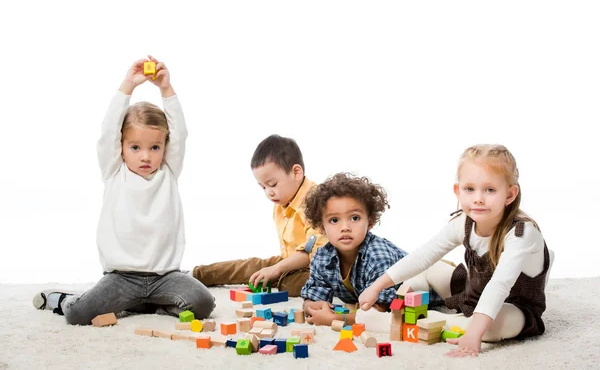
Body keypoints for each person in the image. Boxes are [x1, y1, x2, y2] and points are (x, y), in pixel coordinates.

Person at [32, 56, 215, 325]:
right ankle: (63, 299)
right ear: (122, 146)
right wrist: (127, 86)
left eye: (154, 147)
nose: (146, 156)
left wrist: (166, 88)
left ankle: (148, 305)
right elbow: (108, 131)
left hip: (165, 276)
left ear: (164, 147)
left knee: (203, 303)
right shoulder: (114, 170)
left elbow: (181, 133)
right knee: (78, 315)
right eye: (135, 147)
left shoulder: (169, 171)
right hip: (121, 278)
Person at [359, 144, 552, 357]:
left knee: (492, 327)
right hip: (474, 292)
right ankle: (410, 304)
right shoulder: (464, 222)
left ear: (509, 194)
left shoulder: (521, 233)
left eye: (490, 190)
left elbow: (500, 285)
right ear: (457, 191)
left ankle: (429, 323)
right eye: (470, 189)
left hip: (513, 306)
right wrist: (376, 287)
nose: (478, 198)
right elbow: (423, 256)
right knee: (429, 268)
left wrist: (474, 335)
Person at [191, 135, 328, 297]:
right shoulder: (282, 202)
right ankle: (195, 274)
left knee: (288, 283)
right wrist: (274, 268)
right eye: (263, 187)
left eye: (272, 185)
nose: (268, 193)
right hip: (290, 261)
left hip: (317, 267)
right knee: (252, 266)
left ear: (296, 173)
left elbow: (313, 252)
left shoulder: (315, 200)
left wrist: (277, 269)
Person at [300, 173, 408, 326]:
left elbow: (381, 310)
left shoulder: (377, 255)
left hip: (429, 279)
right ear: (322, 227)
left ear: (369, 222)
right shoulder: (322, 257)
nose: (345, 228)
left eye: (355, 218)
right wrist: (312, 306)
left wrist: (335, 319)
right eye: (334, 220)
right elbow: (314, 295)